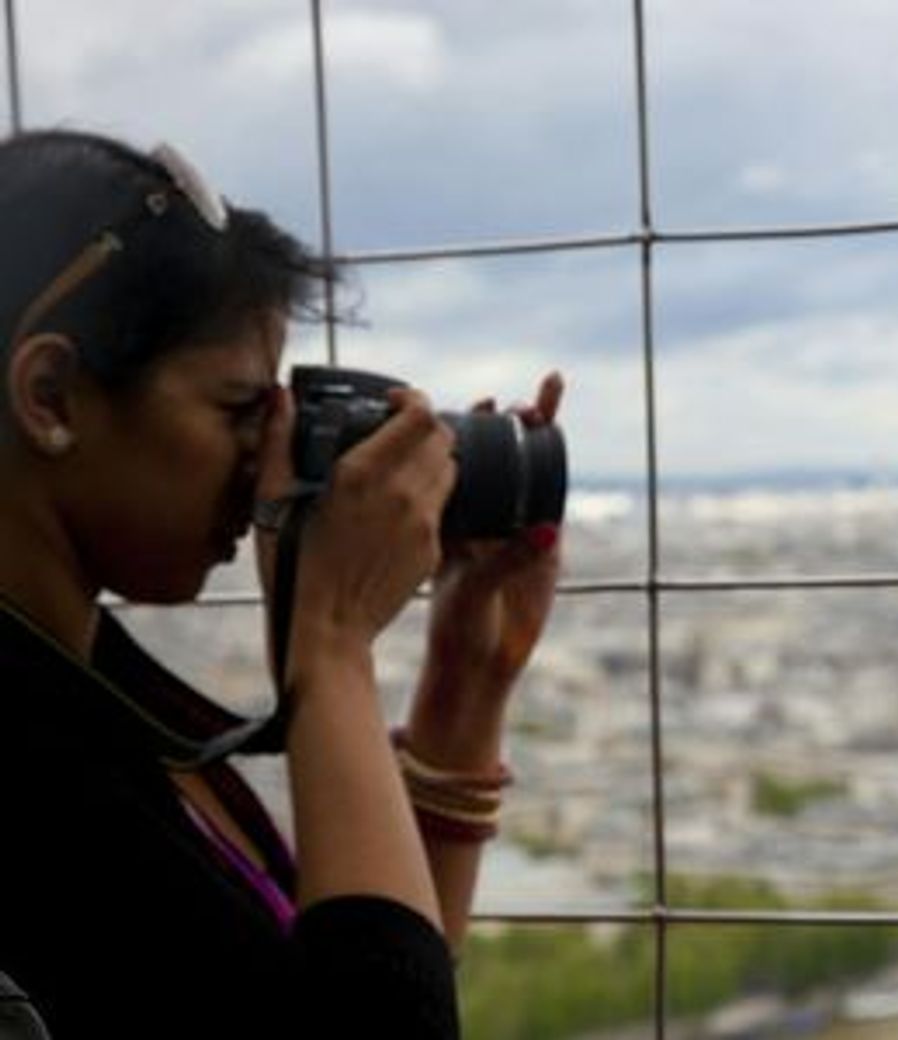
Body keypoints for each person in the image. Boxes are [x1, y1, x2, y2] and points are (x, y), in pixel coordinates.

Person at [0, 128, 563, 1038]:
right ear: (52, 396)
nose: (271, 456)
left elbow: (346, 982)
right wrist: (330, 644)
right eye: (238, 409)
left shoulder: (78, 674)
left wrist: (464, 685)